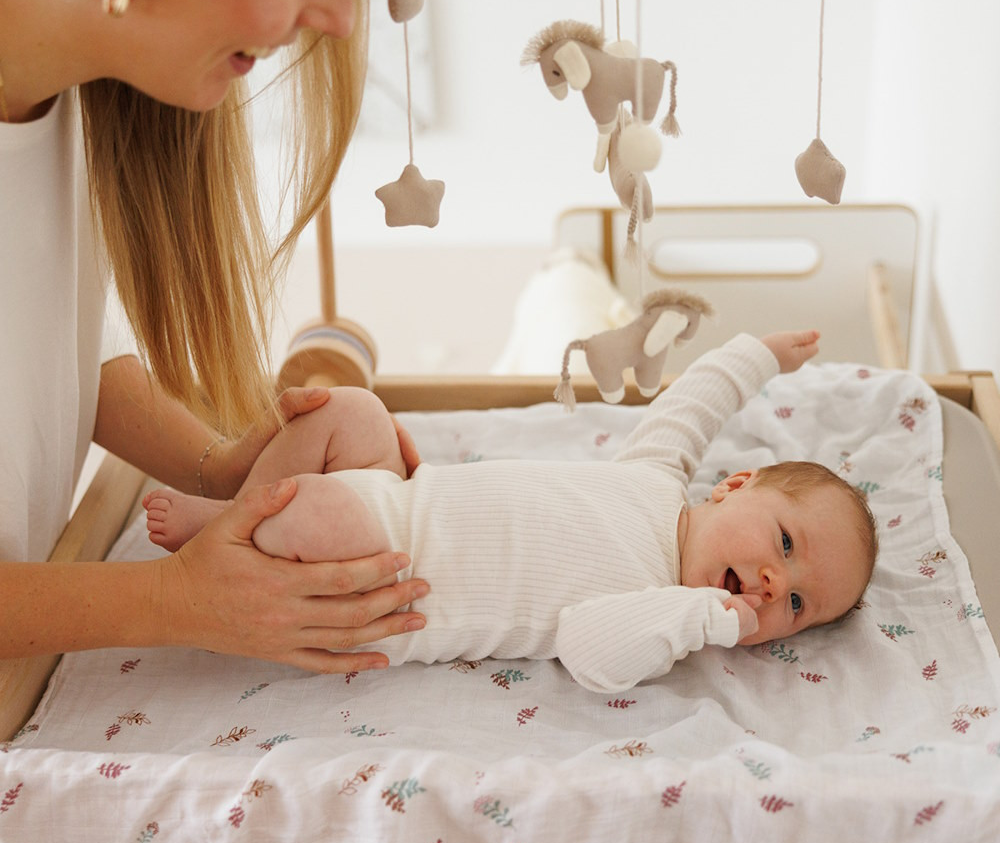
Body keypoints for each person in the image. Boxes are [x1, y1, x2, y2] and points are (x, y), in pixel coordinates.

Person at [0, 0, 430, 673]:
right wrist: (173, 600)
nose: (340, 15)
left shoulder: (71, 88)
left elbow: (54, 345)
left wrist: (224, 470)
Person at [144, 329, 879, 693]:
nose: (773, 585)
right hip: (405, 493)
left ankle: (222, 543)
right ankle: (233, 512)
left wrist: (705, 618)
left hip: (381, 578)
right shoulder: (657, 476)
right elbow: (693, 405)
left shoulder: (660, 616)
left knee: (315, 519)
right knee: (350, 409)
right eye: (786, 543)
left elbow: (589, 651)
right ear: (734, 486)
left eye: (798, 604)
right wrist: (760, 354)